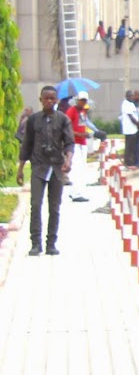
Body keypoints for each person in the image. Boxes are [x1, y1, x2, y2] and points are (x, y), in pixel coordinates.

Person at [16, 85, 75, 256]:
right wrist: (20, 169)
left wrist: (68, 160)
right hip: (38, 167)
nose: (49, 101)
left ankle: (51, 244)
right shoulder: (33, 120)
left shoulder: (63, 119)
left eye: (52, 98)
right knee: (35, 205)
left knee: (54, 207)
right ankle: (36, 243)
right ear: (40, 100)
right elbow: (26, 145)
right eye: (46, 98)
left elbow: (70, 142)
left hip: (57, 168)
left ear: (56, 100)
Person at [64, 92, 96, 202]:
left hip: (82, 143)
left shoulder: (82, 112)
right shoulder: (71, 111)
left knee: (82, 168)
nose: (83, 102)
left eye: (85, 100)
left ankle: (76, 191)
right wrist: (80, 135)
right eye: (81, 100)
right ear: (77, 100)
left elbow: (85, 124)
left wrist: (94, 132)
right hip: (74, 143)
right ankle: (76, 193)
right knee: (76, 168)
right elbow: (67, 129)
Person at [120, 89, 139, 167]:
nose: (132, 97)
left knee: (133, 146)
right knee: (129, 146)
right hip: (129, 129)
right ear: (127, 96)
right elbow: (131, 117)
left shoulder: (131, 104)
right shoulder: (125, 104)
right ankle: (128, 162)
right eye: (130, 96)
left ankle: (132, 162)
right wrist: (138, 124)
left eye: (132, 96)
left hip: (133, 129)